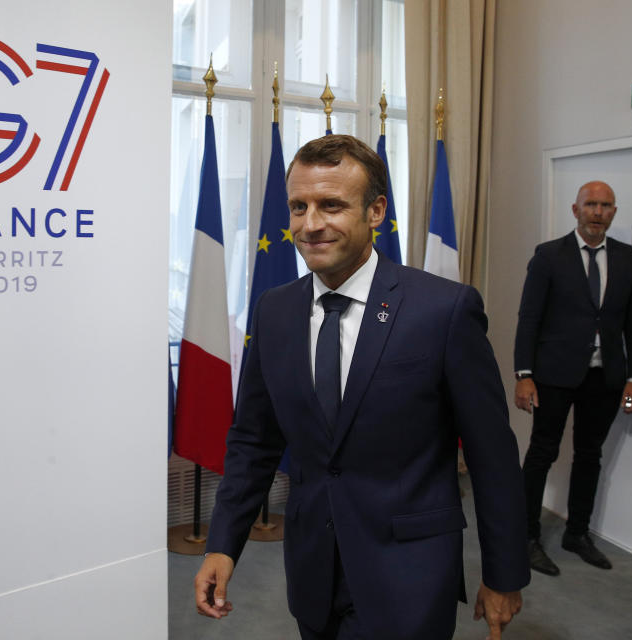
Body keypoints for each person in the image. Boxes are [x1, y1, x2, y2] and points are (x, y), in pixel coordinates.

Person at [193, 135, 529, 639]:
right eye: (298, 207)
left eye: (331, 205)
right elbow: (254, 441)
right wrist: (223, 543)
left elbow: (492, 454)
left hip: (410, 573)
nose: (310, 224)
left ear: (375, 211)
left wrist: (503, 574)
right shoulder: (274, 310)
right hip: (313, 570)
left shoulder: (444, 310)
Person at [513, 181, 632, 577]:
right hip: (554, 375)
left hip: (606, 377)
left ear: (613, 213)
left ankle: (577, 533)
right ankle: (526, 536)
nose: (597, 212)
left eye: (605, 205)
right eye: (591, 204)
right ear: (575, 210)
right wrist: (524, 375)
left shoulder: (628, 258)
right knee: (542, 453)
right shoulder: (549, 256)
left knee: (590, 455)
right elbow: (529, 318)